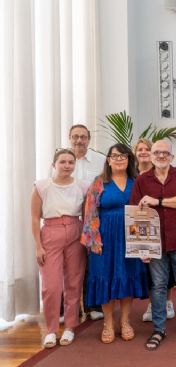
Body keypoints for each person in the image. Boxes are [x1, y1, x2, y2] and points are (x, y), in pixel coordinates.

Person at [130, 139, 176, 351]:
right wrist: (142, 246)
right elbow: (136, 213)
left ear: (172, 157)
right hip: (154, 244)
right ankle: (159, 328)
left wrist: (158, 201)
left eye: (165, 153)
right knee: (159, 286)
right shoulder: (142, 180)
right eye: (157, 153)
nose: (161, 156)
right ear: (150, 156)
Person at [81, 144, 149, 343]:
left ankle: (125, 321)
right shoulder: (99, 182)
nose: (119, 159)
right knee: (106, 278)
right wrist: (94, 240)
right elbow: (90, 212)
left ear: (129, 160)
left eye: (124, 156)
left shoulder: (137, 181)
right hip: (105, 238)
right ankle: (108, 323)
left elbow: (144, 210)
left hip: (131, 237)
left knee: (127, 278)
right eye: (115, 156)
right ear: (108, 160)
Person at [31, 149, 89, 348]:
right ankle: (51, 329)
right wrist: (38, 246)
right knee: (51, 286)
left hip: (75, 231)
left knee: (74, 282)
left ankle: (71, 326)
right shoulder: (41, 186)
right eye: (62, 161)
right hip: (51, 232)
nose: (67, 165)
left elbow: (87, 215)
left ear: (74, 165)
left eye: (70, 162)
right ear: (54, 164)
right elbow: (34, 217)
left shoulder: (82, 186)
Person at [134, 138, 176, 323]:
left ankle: (166, 302)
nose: (143, 152)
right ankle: (153, 304)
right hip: (141, 228)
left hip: (165, 229)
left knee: (166, 270)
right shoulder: (131, 174)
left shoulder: (162, 172)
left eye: (147, 149)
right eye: (140, 149)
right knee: (148, 271)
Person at [69, 124, 106, 321]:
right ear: (69, 138)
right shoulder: (63, 159)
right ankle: (69, 309)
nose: (79, 140)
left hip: (93, 218)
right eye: (75, 137)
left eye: (83, 137)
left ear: (89, 139)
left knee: (93, 263)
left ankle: (93, 306)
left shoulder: (100, 161)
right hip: (71, 218)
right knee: (72, 265)